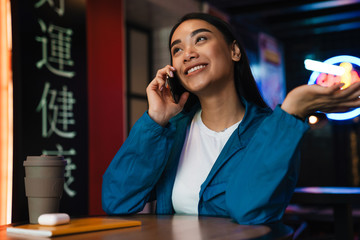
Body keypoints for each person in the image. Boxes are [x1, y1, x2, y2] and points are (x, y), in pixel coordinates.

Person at [102, 12, 360, 225]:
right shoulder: (171, 131)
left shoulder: (275, 131)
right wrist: (155, 120)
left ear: (235, 51)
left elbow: (247, 210)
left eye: (200, 39)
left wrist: (292, 111)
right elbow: (117, 202)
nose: (187, 54)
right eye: (177, 49)